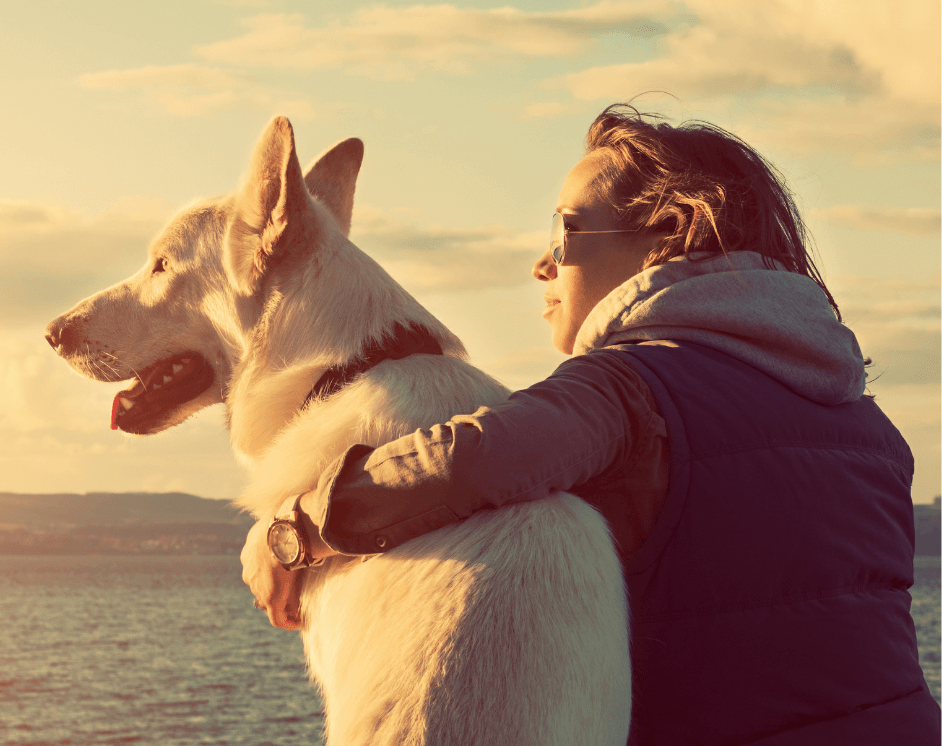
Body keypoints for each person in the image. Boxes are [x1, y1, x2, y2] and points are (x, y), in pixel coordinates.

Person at [241, 103, 942, 743]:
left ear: (669, 235)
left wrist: (293, 530)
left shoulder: (626, 388)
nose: (542, 261)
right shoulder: (869, 427)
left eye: (567, 228)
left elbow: (468, 460)